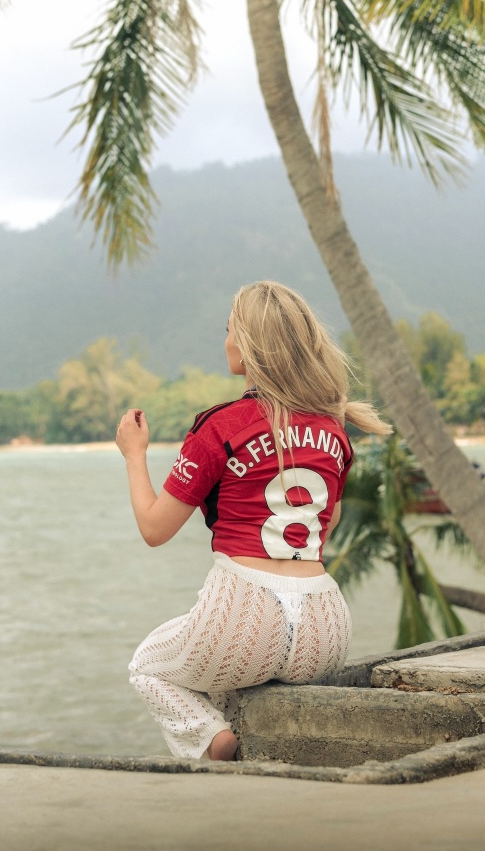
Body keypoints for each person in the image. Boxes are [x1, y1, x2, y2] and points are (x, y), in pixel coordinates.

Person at [115, 280, 391, 762]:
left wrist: (134, 455)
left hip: (242, 616)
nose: (225, 341)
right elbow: (325, 527)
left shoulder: (221, 426)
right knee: (229, 687)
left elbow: (155, 529)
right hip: (325, 626)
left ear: (248, 345)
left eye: (229, 330)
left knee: (149, 667)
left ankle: (214, 746)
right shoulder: (333, 429)